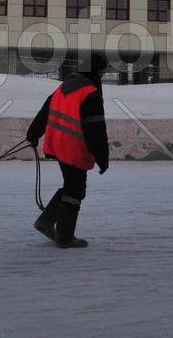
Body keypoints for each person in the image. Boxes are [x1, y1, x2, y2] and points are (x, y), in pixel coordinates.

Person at [27, 52, 110, 248]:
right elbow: (96, 130)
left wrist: (33, 134)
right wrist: (102, 158)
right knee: (75, 189)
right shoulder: (90, 93)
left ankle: (46, 222)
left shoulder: (65, 86)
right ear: (95, 71)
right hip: (74, 147)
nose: (103, 75)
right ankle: (64, 237)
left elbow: (44, 111)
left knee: (71, 185)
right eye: (102, 71)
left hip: (58, 144)